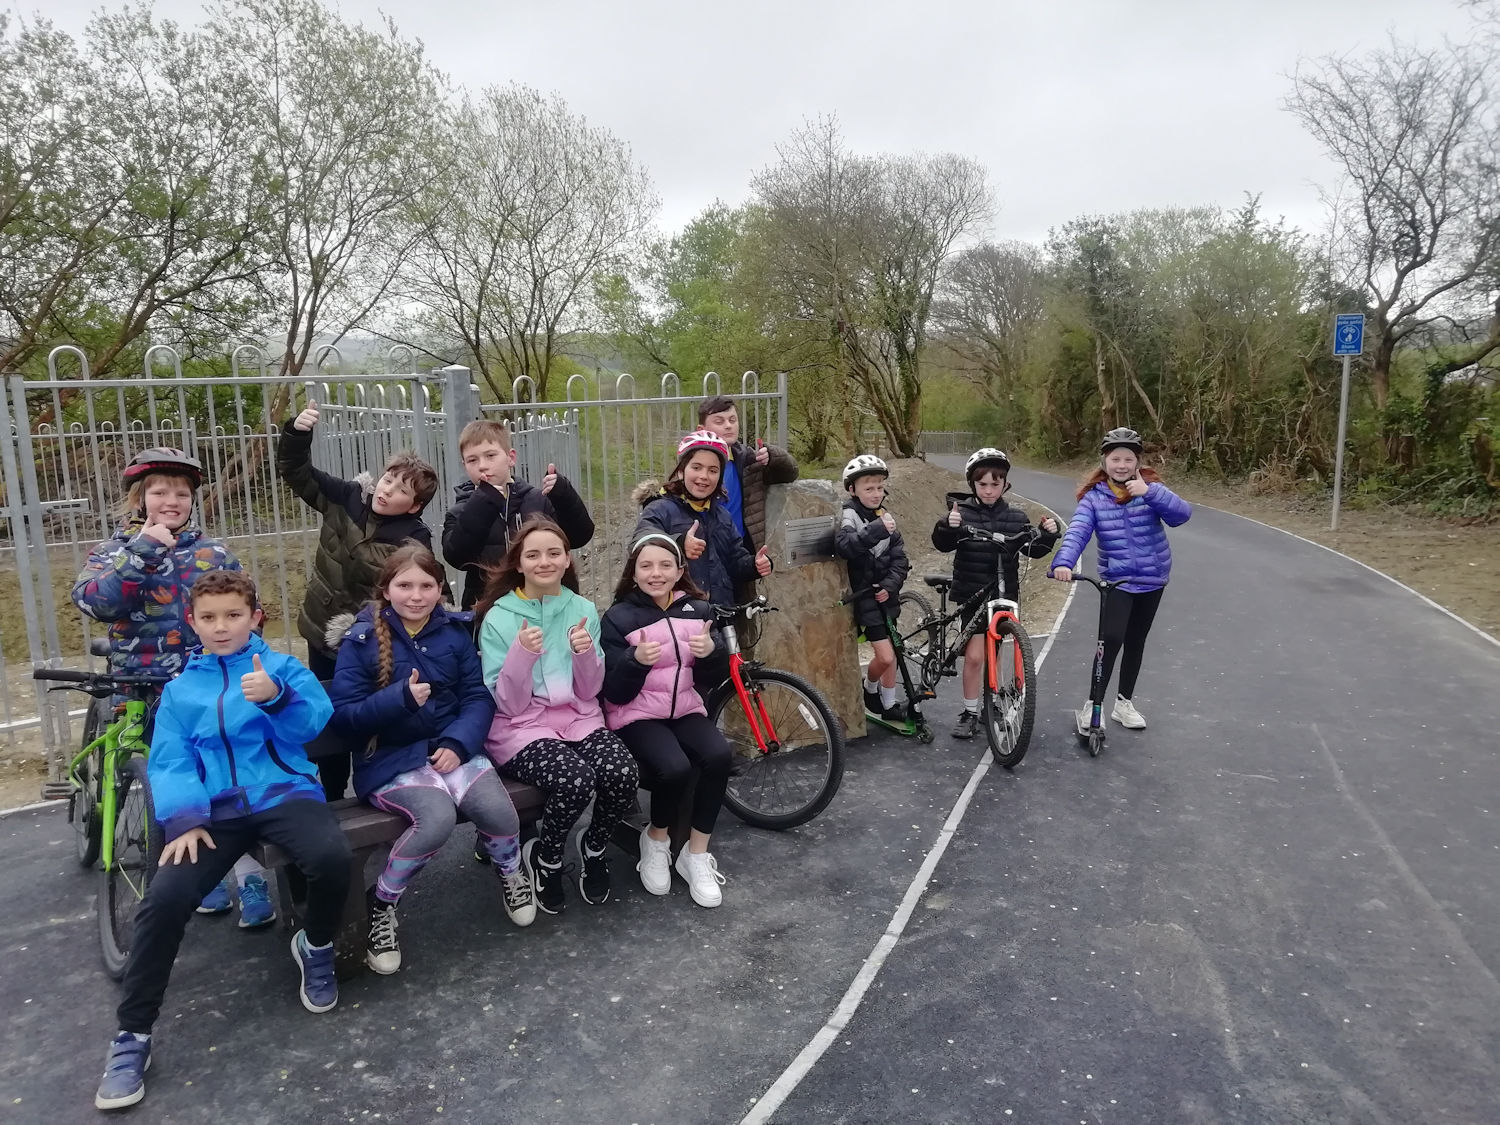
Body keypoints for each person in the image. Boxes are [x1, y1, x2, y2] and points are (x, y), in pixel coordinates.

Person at [92, 570, 351, 1112]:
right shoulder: (183, 688)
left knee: (330, 859)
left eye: (233, 615)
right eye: (208, 618)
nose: (221, 626)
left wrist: (276, 697)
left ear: (254, 617)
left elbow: (313, 723)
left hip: (283, 792)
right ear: (192, 623)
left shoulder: (279, 666)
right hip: (216, 811)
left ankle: (316, 944)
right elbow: (170, 758)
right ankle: (132, 1035)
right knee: (164, 900)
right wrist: (185, 819)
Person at [71, 447, 273, 927]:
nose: (172, 500)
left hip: (207, 682)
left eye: (181, 493)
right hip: (141, 683)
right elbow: (96, 601)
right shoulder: (114, 551)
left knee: (225, 772)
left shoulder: (213, 553)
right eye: (160, 491)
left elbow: (248, 613)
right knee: (171, 780)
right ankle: (195, 875)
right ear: (140, 498)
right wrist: (144, 549)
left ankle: (248, 875)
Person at [327, 545, 535, 975]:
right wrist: (397, 700)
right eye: (404, 585)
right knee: (436, 819)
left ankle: (511, 872)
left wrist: (459, 743)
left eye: (426, 585)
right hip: (390, 761)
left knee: (499, 810)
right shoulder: (361, 641)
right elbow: (346, 719)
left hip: (451, 751)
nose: (416, 595)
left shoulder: (454, 633)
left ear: (441, 589)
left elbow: (477, 696)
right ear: (386, 589)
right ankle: (382, 905)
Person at [476, 517, 639, 915]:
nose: (544, 562)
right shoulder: (499, 616)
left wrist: (586, 654)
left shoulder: (580, 607)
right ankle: (547, 859)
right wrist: (522, 654)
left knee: (622, 772)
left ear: (567, 560)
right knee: (575, 780)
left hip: (578, 718)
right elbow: (508, 705)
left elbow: (589, 691)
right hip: (521, 728)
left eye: (554, 553)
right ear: (518, 563)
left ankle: (594, 846)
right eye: (533, 554)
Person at [277, 398, 438, 800]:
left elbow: (426, 591)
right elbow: (295, 472)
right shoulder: (346, 498)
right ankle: (329, 794)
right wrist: (297, 433)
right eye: (387, 480)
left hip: (371, 642)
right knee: (322, 712)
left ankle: (377, 789)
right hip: (321, 630)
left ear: (415, 505)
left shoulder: (413, 539)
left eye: (402, 490)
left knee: (364, 714)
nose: (387, 491)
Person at [600, 532, 734, 908]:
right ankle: (656, 839)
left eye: (664, 565)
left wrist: (711, 653)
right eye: (646, 565)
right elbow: (614, 692)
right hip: (637, 715)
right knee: (673, 767)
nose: (655, 573)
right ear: (634, 571)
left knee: (718, 756)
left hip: (685, 709)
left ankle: (696, 854)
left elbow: (709, 680)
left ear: (679, 571)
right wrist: (634, 662)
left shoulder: (698, 610)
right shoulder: (618, 617)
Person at [1049, 428, 1192, 731]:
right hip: (1117, 581)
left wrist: (1150, 493)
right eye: (1116, 459)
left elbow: (1181, 515)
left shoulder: (1151, 489)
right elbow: (1078, 531)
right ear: (1105, 462)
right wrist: (1063, 561)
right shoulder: (1094, 499)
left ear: (1138, 462)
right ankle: (1094, 703)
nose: (1122, 465)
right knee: (1110, 640)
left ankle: (1124, 703)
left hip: (1153, 578)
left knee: (1136, 642)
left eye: (1129, 459)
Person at [932, 448, 1060, 740]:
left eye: (995, 484)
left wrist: (1048, 534)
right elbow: (942, 543)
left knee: (996, 652)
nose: (989, 490)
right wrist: (947, 526)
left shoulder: (1015, 517)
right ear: (972, 485)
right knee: (975, 656)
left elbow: (1033, 548)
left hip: (1004, 595)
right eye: (983, 484)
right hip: (974, 593)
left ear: (1005, 485)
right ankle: (969, 711)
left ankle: (991, 702)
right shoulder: (961, 513)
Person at [441, 418, 595, 612]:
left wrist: (564, 495)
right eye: (473, 460)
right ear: (465, 465)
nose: (482, 465)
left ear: (511, 458)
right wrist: (482, 503)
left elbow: (579, 536)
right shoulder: (461, 510)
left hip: (546, 603)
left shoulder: (538, 500)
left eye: (490, 456)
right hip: (489, 607)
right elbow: (457, 557)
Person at [633, 430, 773, 610]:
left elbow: (735, 561)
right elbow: (640, 543)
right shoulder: (660, 509)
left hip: (720, 614)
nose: (704, 476)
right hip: (675, 617)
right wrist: (678, 544)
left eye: (713, 470)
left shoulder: (722, 516)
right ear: (682, 471)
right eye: (696, 467)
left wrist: (754, 565)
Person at [834, 455, 911, 724]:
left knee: (895, 652)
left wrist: (890, 586)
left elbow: (900, 559)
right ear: (852, 489)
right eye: (869, 488)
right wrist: (878, 529)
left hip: (885, 597)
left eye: (880, 487)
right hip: (865, 599)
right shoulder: (849, 515)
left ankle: (889, 704)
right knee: (886, 656)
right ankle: (869, 686)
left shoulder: (885, 516)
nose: (876, 493)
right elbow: (845, 546)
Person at [697, 394, 799, 554]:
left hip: (742, 550)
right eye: (719, 421)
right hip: (705, 550)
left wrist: (772, 456)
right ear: (701, 430)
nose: (728, 426)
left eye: (732, 420)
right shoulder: (690, 467)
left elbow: (790, 473)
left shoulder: (749, 460)